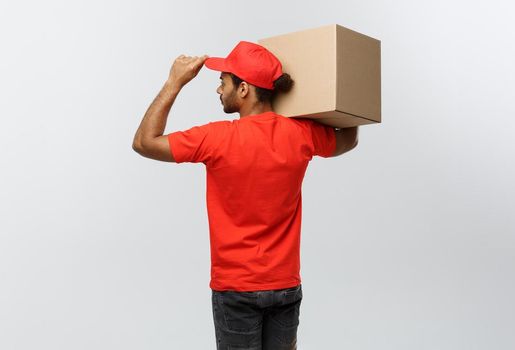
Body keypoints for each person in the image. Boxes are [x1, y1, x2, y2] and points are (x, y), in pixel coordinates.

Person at [132, 40, 358, 350]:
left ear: (243, 89)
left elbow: (145, 142)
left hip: (236, 288)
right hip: (285, 284)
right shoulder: (301, 133)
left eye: (222, 81)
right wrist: (348, 94)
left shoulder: (216, 138)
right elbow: (347, 138)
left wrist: (175, 82)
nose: (218, 90)